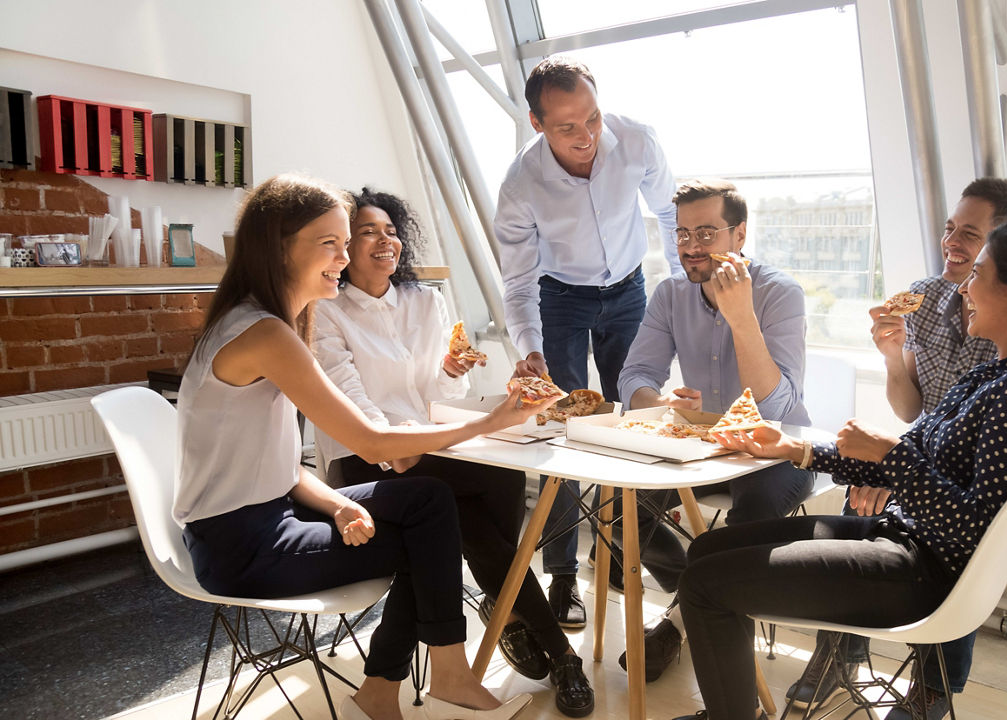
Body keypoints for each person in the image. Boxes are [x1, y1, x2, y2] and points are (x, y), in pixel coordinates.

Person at [671, 210, 1007, 720]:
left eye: (980, 274)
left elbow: (971, 526)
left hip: (922, 572)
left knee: (704, 584)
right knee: (704, 551)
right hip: (897, 540)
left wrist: (891, 454)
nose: (965, 288)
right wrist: (795, 451)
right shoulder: (1004, 373)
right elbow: (909, 460)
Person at [175, 174, 556, 720]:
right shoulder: (265, 335)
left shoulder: (267, 322)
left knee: (427, 500)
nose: (343, 255)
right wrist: (491, 421)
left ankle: (393, 687)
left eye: (342, 242)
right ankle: (439, 675)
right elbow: (369, 440)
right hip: (239, 546)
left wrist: (337, 502)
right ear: (280, 247)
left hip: (269, 516)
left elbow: (281, 465)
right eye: (330, 243)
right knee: (428, 539)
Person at [311, 188, 594, 717]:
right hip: (364, 459)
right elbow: (354, 410)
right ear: (345, 246)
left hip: (430, 446)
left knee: (501, 476)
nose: (385, 241)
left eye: (391, 230)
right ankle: (557, 651)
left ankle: (508, 609)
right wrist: (402, 446)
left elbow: (441, 400)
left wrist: (450, 372)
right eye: (368, 232)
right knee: (456, 512)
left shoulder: (425, 301)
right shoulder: (325, 311)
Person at [787, 178, 1007, 714]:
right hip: (925, 449)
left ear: (1005, 246)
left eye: (970, 234)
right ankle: (840, 651)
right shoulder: (927, 298)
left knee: (939, 531)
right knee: (859, 497)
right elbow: (910, 410)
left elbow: (963, 455)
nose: (952, 242)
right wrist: (893, 354)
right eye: (950, 229)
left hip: (967, 482)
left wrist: (893, 467)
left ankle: (934, 683)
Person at [494, 55, 679, 627]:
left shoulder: (638, 141)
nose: (586, 137)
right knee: (563, 436)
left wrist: (685, 293)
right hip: (560, 300)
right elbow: (519, 281)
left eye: (592, 119)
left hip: (629, 291)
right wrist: (531, 350)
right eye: (567, 127)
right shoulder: (521, 184)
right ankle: (564, 580)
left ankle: (625, 550)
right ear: (536, 124)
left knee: (638, 421)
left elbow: (672, 216)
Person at [610, 179, 814, 682]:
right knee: (619, 514)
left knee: (750, 517)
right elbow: (633, 377)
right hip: (702, 447)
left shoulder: (780, 293)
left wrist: (741, 316)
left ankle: (678, 623)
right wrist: (661, 403)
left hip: (776, 452)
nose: (692, 247)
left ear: (739, 235)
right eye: (682, 234)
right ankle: (698, 599)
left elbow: (775, 406)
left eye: (706, 232)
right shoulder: (670, 294)